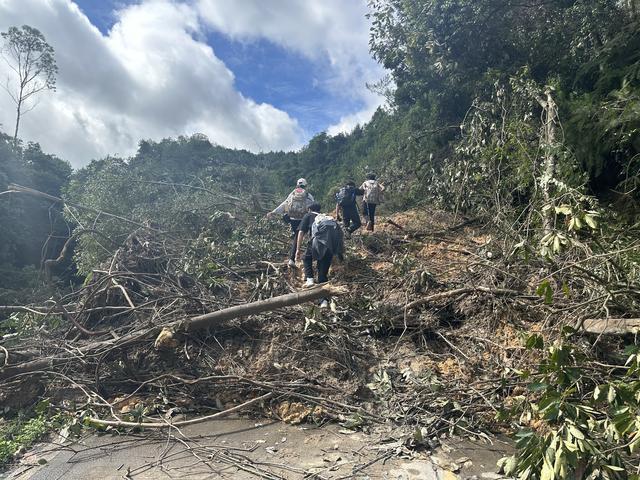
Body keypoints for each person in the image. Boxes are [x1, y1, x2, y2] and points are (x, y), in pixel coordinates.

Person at [295, 202, 344, 308]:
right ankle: (324, 302)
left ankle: (310, 280)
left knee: (306, 258)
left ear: (309, 209)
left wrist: (297, 250)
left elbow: (301, 233)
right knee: (322, 275)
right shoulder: (326, 218)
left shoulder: (308, 215)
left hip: (317, 243)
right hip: (330, 246)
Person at [267, 178, 315, 266]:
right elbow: (313, 206)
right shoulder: (308, 195)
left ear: (297, 185)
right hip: (303, 219)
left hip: (292, 219)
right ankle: (294, 259)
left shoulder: (292, 193)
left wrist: (273, 212)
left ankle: (294, 258)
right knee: (303, 236)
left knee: (296, 237)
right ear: (305, 185)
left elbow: (284, 204)